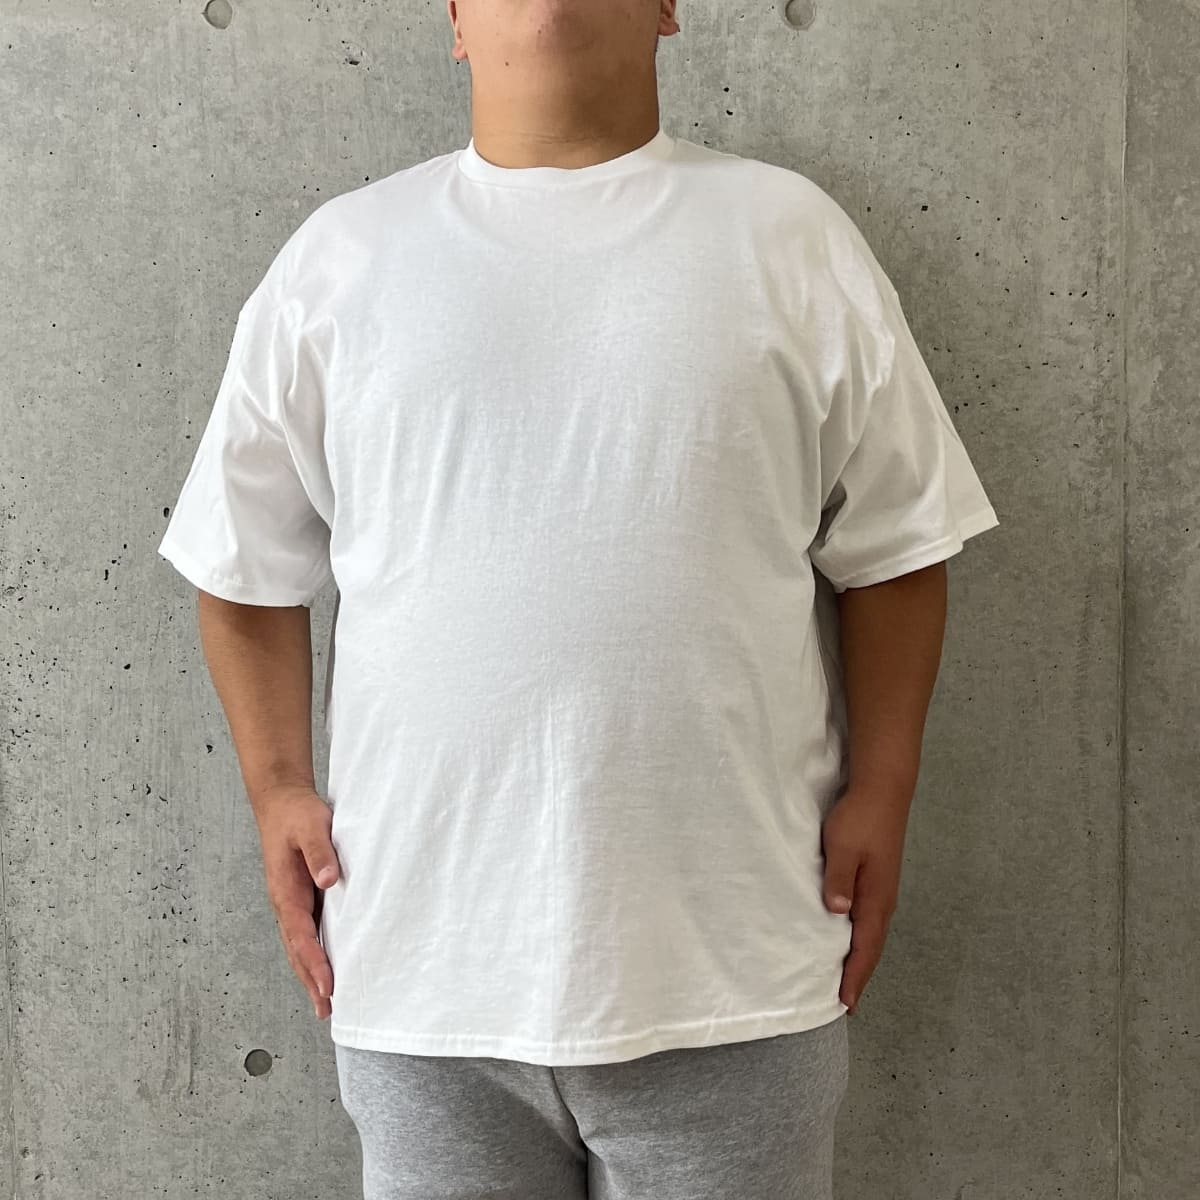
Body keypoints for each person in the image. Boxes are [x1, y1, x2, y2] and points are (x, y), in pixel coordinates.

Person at [157, 1, 1000, 1195]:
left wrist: (887, 785)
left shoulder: (788, 236)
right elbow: (241, 565)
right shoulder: (340, 260)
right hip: (425, 971)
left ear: (667, 9)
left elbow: (900, 546)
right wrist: (276, 785)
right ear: (455, 20)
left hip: (734, 964)